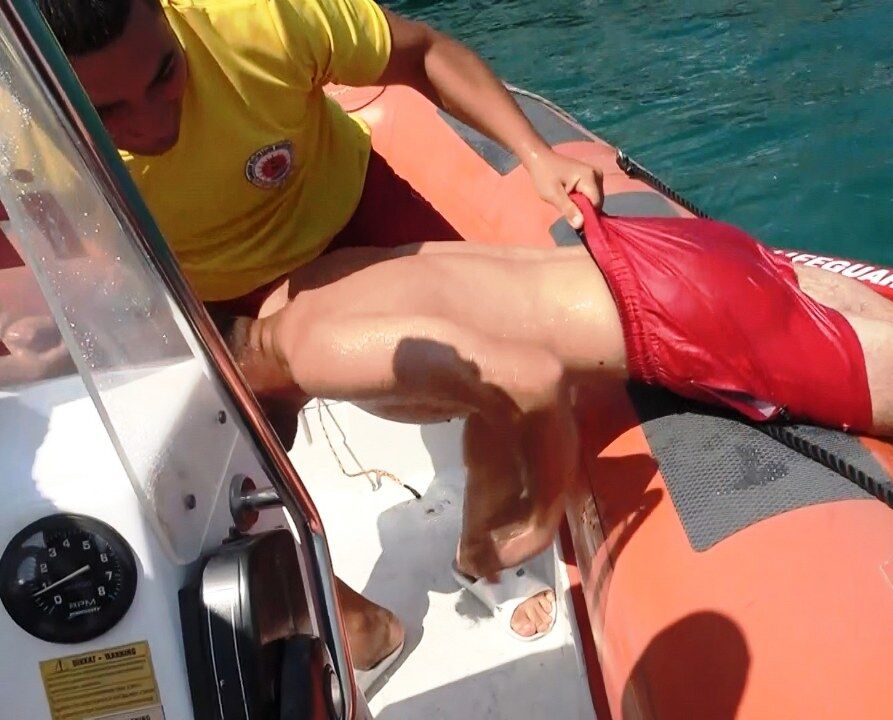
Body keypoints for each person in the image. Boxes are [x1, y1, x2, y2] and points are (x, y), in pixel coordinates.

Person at [214, 199, 893, 637]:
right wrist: (476, 532)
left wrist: (536, 516)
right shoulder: (304, 290)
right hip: (656, 253)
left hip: (677, 316)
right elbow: (477, 391)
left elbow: (529, 381)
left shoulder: (313, 355)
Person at [36, 0, 605, 663]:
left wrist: (535, 154)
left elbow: (422, 53)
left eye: (165, 74)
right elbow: (87, 273)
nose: (154, 123)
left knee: (499, 361)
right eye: (108, 113)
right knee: (195, 482)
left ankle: (483, 548)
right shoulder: (22, 127)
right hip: (206, 296)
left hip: (347, 210)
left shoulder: (257, 19)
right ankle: (355, 624)